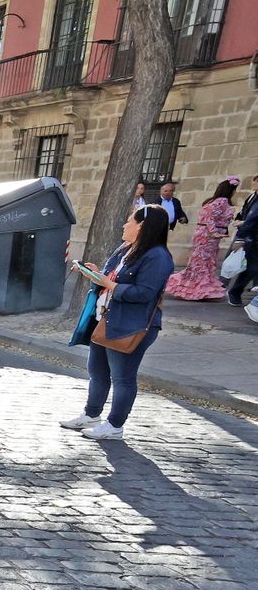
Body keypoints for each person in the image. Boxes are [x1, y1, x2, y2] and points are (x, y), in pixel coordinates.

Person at [61, 205, 172, 441]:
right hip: (107, 319)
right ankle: (91, 415)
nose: (125, 225)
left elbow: (144, 293)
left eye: (129, 220)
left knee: (123, 378)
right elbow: (112, 277)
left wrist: (109, 285)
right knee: (97, 371)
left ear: (142, 225)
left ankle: (115, 426)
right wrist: (95, 274)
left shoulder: (157, 256)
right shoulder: (126, 249)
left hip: (131, 325)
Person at [165, 179, 237, 301]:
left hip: (206, 235)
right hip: (208, 236)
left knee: (201, 261)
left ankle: (197, 289)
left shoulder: (216, 201)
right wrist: (214, 231)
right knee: (202, 261)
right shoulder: (221, 201)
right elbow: (210, 216)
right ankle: (197, 289)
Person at [226, 200, 258, 307]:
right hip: (255, 241)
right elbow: (251, 220)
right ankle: (235, 292)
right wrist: (240, 238)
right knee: (252, 268)